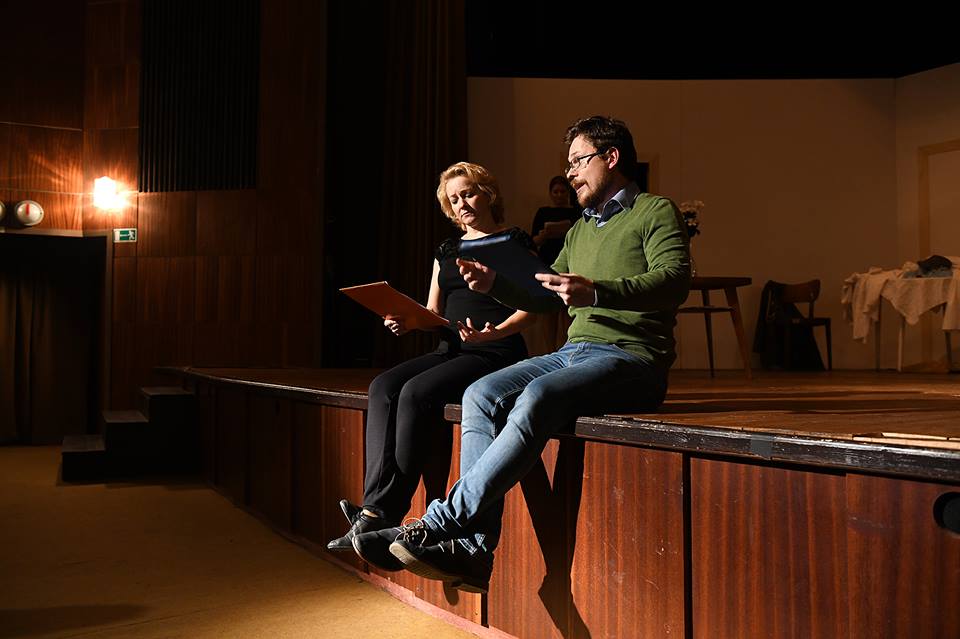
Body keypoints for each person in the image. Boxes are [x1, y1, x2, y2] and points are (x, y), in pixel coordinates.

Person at [352, 116, 692, 593]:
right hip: (574, 351)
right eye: (569, 164)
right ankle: (473, 554)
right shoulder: (580, 230)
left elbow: (674, 281)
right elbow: (544, 296)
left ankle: (442, 523)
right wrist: (496, 284)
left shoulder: (655, 211)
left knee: (535, 396)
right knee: (480, 393)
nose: (570, 173)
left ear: (611, 158)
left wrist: (597, 291)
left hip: (633, 358)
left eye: (578, 161)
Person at [327, 162, 537, 561]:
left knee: (415, 393)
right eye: (454, 199)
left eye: (468, 194)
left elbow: (533, 306)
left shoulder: (513, 242)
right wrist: (407, 320)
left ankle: (388, 511)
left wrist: (495, 332)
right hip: (451, 349)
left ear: (488, 194)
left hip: (495, 351)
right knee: (382, 387)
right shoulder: (447, 250)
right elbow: (434, 312)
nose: (462, 204)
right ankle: (373, 510)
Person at [529, 175, 581, 353]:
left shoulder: (576, 212)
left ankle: (567, 351)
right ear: (550, 193)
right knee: (548, 313)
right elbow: (532, 242)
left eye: (562, 191)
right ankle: (549, 352)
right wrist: (544, 235)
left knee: (568, 312)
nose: (559, 195)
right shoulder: (543, 212)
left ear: (568, 192)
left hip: (570, 265)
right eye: (555, 192)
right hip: (547, 264)